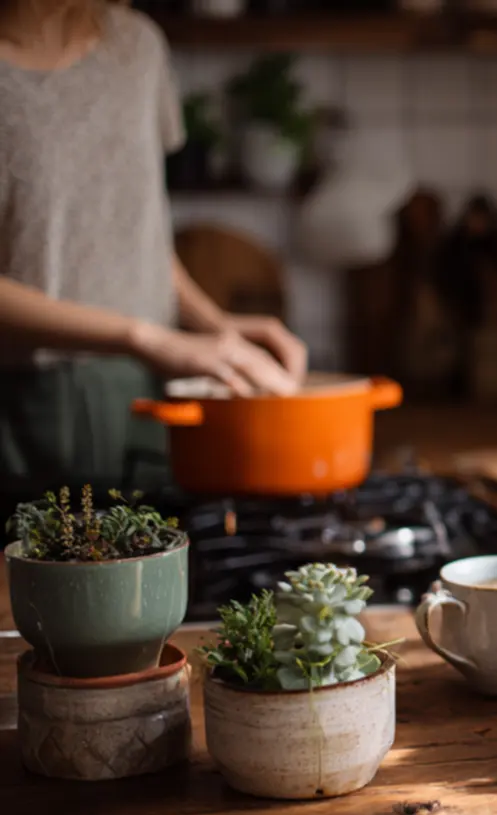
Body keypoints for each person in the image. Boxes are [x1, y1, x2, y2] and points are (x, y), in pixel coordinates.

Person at [0, 0, 308, 499]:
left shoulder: (137, 46)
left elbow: (129, 228)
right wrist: (146, 337)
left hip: (146, 388)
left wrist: (213, 323)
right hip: (24, 407)